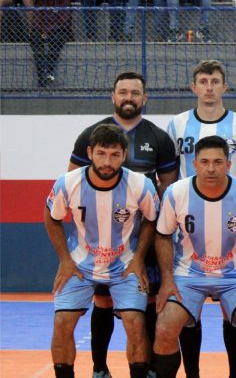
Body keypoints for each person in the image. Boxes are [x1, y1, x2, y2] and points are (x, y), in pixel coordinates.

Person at [68, 72, 178, 378]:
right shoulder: (90, 135)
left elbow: (167, 192)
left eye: (135, 93)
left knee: (148, 300)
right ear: (113, 96)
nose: (129, 98)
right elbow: (73, 184)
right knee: (102, 301)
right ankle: (99, 369)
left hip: (143, 237)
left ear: (145, 98)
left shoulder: (159, 138)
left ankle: (149, 369)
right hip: (101, 239)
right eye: (123, 92)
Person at [152, 135, 236, 378]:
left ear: (229, 164)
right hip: (188, 274)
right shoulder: (176, 193)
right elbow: (163, 235)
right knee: (165, 327)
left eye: (218, 162)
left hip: (235, 275)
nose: (211, 168)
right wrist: (167, 279)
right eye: (205, 162)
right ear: (194, 164)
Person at [45, 123, 159, 378]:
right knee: (62, 323)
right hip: (80, 265)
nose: (107, 162)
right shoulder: (68, 183)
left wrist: (139, 258)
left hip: (125, 265)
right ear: (90, 152)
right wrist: (65, 260)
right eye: (101, 153)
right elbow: (51, 218)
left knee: (136, 323)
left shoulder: (140, 184)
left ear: (124, 155)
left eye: (115, 154)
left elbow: (152, 220)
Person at [166, 59, 236, 378]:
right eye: (203, 81)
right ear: (194, 87)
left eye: (215, 81)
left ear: (224, 87)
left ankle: (235, 373)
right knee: (190, 309)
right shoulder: (177, 124)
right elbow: (169, 173)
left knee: (234, 310)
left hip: (231, 226)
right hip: (189, 227)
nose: (209, 87)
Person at [29, 0, 72, 88]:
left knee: (56, 37)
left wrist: (47, 31)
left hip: (58, 32)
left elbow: (63, 20)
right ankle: (42, 75)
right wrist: (42, 30)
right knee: (34, 37)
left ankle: (48, 70)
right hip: (43, 31)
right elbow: (36, 19)